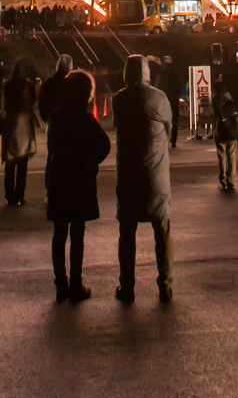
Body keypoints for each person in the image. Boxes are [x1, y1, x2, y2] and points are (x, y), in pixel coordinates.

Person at [45, 69, 111, 302]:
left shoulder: (56, 117)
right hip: (80, 182)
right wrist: (89, 162)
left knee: (59, 234)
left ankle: (60, 283)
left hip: (59, 179)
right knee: (77, 235)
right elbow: (104, 145)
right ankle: (75, 283)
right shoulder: (85, 120)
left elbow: (52, 148)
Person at [113, 54, 174, 303]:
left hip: (128, 176)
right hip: (157, 177)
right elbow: (168, 127)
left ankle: (127, 286)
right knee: (162, 232)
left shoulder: (119, 100)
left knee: (127, 234)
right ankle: (165, 285)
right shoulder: (160, 98)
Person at [0, 58, 40, 206]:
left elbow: (5, 104)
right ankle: (20, 195)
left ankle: (9, 195)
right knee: (22, 164)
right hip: (25, 125)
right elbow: (33, 103)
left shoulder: (8, 85)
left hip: (11, 123)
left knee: (10, 162)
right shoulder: (29, 86)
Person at [213, 83, 238, 193]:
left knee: (221, 157)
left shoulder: (216, 102)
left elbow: (215, 116)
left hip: (221, 133)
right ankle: (231, 181)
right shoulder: (232, 102)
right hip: (232, 133)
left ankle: (222, 181)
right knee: (232, 158)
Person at [38, 52, 73, 122]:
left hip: (52, 119)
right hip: (68, 120)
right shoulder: (71, 83)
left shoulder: (49, 82)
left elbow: (42, 101)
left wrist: (45, 117)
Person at [158, 53, 181, 149]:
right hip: (174, 100)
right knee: (174, 121)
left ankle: (164, 139)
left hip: (163, 100)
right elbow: (179, 86)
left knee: (163, 120)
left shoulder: (161, 74)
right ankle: (173, 140)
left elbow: (157, 86)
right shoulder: (175, 74)